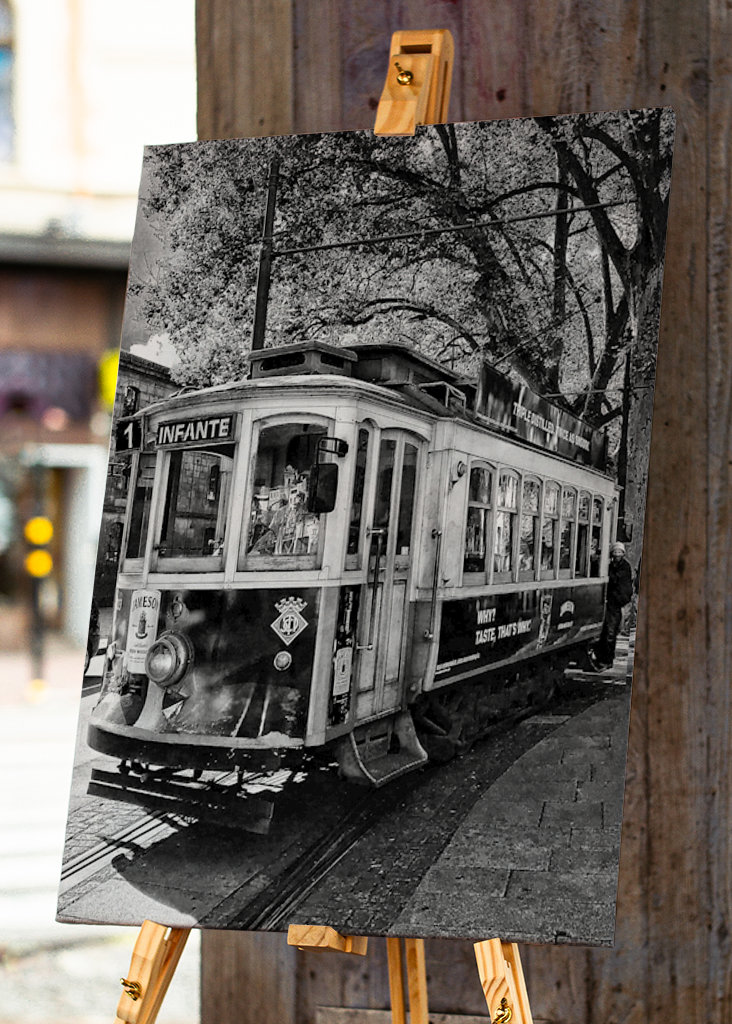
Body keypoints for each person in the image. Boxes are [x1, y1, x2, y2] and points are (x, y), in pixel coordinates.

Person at [589, 541, 633, 670]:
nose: (617, 554)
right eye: (615, 552)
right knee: (605, 632)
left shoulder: (624, 567)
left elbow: (616, 581)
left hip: (615, 602)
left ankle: (607, 660)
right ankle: (602, 658)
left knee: (610, 632)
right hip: (610, 601)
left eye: (619, 552)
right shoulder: (612, 565)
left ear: (623, 554)